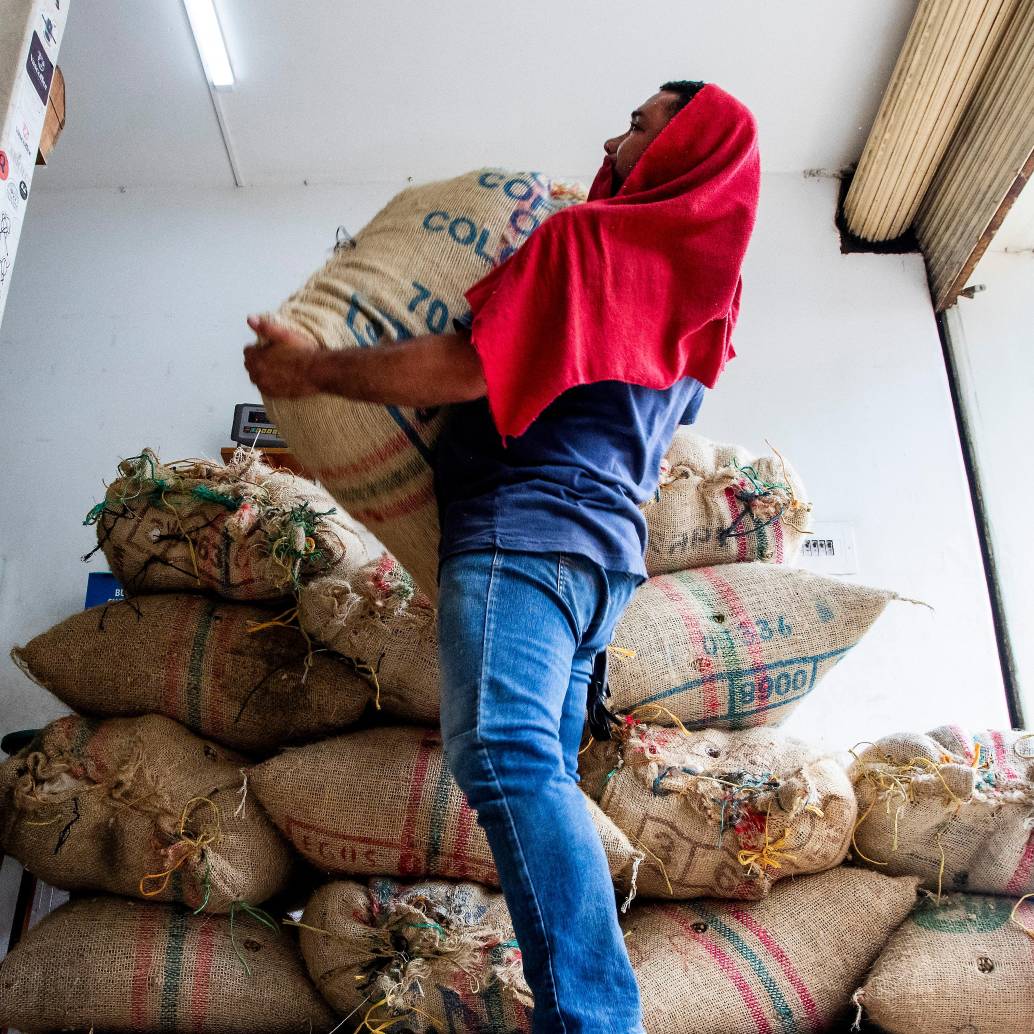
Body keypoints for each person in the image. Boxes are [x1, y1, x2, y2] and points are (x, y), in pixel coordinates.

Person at [245, 79, 760, 1034]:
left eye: (644, 124)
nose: (618, 133)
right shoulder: (702, 297)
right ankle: (577, 1010)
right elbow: (643, 410)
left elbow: (472, 366)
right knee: (534, 776)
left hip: (523, 528)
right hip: (602, 561)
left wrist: (313, 370)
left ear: (688, 150)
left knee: (504, 755)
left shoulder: (583, 244)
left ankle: (597, 1021)